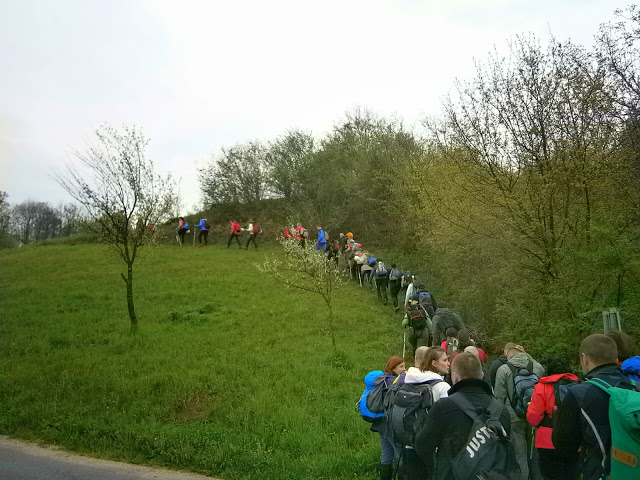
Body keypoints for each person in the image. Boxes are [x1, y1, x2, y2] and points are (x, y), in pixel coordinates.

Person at [552, 334, 640, 480]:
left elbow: (563, 445)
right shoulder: (636, 387)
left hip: (599, 472)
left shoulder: (578, 394)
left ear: (584, 358)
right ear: (616, 359)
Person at [415, 352, 514, 480]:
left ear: (455, 376)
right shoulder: (501, 410)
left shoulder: (443, 407)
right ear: (482, 375)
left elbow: (422, 446)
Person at [494, 344, 545, 480]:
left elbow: (499, 397)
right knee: (535, 453)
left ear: (509, 355)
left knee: (519, 455)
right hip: (534, 415)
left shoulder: (503, 369)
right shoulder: (536, 367)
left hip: (514, 418)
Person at [401, 346, 451, 480]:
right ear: (434, 363)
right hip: (433, 448)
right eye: (445, 360)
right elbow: (448, 419)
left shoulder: (411, 381)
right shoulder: (442, 387)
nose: (448, 363)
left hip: (411, 442)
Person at [526, 357, 580, 480]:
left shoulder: (541, 387)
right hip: (575, 440)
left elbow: (533, 418)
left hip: (548, 441)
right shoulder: (579, 386)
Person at [373, 356, 406, 480]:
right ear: (393, 368)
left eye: (404, 366)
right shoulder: (394, 382)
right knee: (401, 455)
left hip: (381, 423)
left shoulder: (382, 379)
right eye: (401, 366)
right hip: (391, 424)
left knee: (386, 455)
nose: (404, 369)